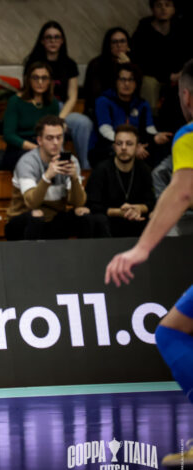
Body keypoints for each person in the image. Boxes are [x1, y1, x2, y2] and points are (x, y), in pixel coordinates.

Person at [105, 58, 193, 468]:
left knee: (171, 333)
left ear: (186, 96)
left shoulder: (189, 135)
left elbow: (182, 191)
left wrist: (140, 249)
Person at [5, 115, 110, 240]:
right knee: (36, 216)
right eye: (50, 138)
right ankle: (31, 253)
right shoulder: (27, 162)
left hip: (54, 220)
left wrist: (74, 179)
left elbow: (78, 202)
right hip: (22, 221)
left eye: (59, 137)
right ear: (39, 140)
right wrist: (47, 177)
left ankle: (85, 252)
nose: (55, 142)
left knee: (84, 213)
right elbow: (32, 203)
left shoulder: (70, 161)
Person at [24, 21, 94, 169]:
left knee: (83, 123)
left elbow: (72, 97)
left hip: (62, 109)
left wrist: (60, 119)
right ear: (42, 41)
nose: (53, 41)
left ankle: (84, 167)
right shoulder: (33, 63)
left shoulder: (69, 64)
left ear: (62, 40)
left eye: (57, 37)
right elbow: (28, 91)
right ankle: (55, 168)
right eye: (49, 37)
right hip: (40, 108)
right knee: (53, 131)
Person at [94, 63, 172, 168]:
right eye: (122, 79)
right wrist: (131, 146)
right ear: (116, 81)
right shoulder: (104, 101)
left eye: (131, 80)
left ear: (136, 83)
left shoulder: (142, 104)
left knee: (159, 147)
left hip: (136, 146)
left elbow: (149, 130)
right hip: (108, 146)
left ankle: (156, 177)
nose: (126, 84)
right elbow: (105, 131)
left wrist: (156, 137)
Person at [85, 125, 155, 238]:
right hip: (108, 222)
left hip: (137, 220)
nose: (123, 147)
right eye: (119, 143)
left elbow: (151, 202)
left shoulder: (144, 170)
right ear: (114, 146)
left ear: (137, 147)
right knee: (97, 220)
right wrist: (119, 212)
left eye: (129, 144)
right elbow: (93, 205)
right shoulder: (101, 170)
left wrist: (138, 208)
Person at [131, 0, 191, 113]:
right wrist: (168, 76)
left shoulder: (182, 29)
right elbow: (140, 60)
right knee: (149, 83)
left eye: (167, 5)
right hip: (154, 75)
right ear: (153, 9)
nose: (163, 8)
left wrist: (182, 73)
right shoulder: (143, 30)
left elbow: (189, 56)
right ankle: (149, 118)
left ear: (174, 9)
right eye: (159, 5)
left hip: (180, 75)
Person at [1, 62, 60, 170]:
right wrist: (35, 148)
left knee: (64, 161)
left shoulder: (53, 102)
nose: (40, 82)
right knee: (34, 161)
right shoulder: (15, 101)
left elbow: (55, 130)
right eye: (35, 78)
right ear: (28, 80)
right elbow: (9, 135)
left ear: (50, 81)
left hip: (44, 144)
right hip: (20, 147)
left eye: (44, 78)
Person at [83, 27, 132, 119]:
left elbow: (135, 92)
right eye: (114, 42)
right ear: (108, 45)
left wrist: (127, 66)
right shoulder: (96, 64)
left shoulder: (133, 65)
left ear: (128, 45)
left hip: (128, 110)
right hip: (101, 110)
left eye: (122, 41)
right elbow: (95, 95)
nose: (119, 45)